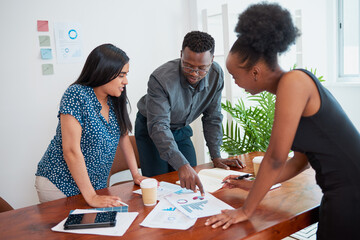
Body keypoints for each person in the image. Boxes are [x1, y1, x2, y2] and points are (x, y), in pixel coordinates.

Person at [205, 3, 360, 239]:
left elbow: (276, 157)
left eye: (236, 76)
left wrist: (246, 210)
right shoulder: (292, 87)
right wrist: (251, 186)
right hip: (343, 191)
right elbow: (300, 161)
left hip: (350, 194)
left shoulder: (293, 82)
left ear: (255, 72)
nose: (235, 82)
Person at [35, 44, 147, 207]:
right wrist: (91, 197)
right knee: (68, 232)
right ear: (105, 72)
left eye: (126, 74)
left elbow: (123, 138)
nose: (126, 81)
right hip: (59, 183)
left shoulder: (115, 98)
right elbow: (71, 151)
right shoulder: (76, 94)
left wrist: (136, 174)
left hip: (93, 188)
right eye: (122, 75)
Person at [135, 31, 245, 194]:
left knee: (190, 181)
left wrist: (216, 156)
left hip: (181, 129)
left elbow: (212, 117)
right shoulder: (160, 79)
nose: (194, 73)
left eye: (202, 68)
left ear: (212, 60)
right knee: (160, 186)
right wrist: (181, 164)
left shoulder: (216, 74)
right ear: (181, 55)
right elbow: (159, 127)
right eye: (188, 65)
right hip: (152, 129)